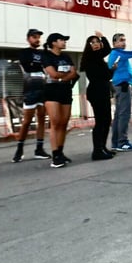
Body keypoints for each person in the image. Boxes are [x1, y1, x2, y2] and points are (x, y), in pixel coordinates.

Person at [12, 28, 52, 162]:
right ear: (28, 39)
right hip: (30, 90)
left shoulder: (44, 53)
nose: (37, 39)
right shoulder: (24, 52)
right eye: (34, 37)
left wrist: (40, 65)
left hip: (43, 89)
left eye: (39, 37)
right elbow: (28, 67)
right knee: (27, 121)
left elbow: (48, 67)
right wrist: (39, 65)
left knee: (42, 120)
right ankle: (19, 149)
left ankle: (39, 149)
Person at [42, 33, 80, 168]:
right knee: (55, 122)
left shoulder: (66, 56)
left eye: (65, 40)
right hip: (51, 92)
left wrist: (61, 77)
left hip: (65, 91)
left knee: (64, 123)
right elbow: (52, 74)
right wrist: (64, 76)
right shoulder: (46, 56)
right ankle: (55, 155)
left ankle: (60, 151)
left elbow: (74, 73)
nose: (64, 42)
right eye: (61, 40)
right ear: (53, 42)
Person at [80, 31, 116, 160]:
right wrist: (103, 37)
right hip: (96, 92)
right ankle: (97, 151)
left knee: (106, 120)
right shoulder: (92, 57)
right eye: (92, 42)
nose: (95, 44)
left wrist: (113, 69)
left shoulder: (99, 59)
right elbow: (108, 49)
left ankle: (102, 147)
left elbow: (107, 76)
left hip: (103, 91)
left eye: (97, 42)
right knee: (100, 121)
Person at [108, 33, 132, 151]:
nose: (124, 42)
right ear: (114, 43)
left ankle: (116, 142)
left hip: (120, 85)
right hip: (123, 85)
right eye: (121, 40)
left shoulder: (116, 54)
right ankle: (122, 142)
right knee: (124, 114)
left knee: (119, 115)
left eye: (124, 40)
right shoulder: (118, 53)